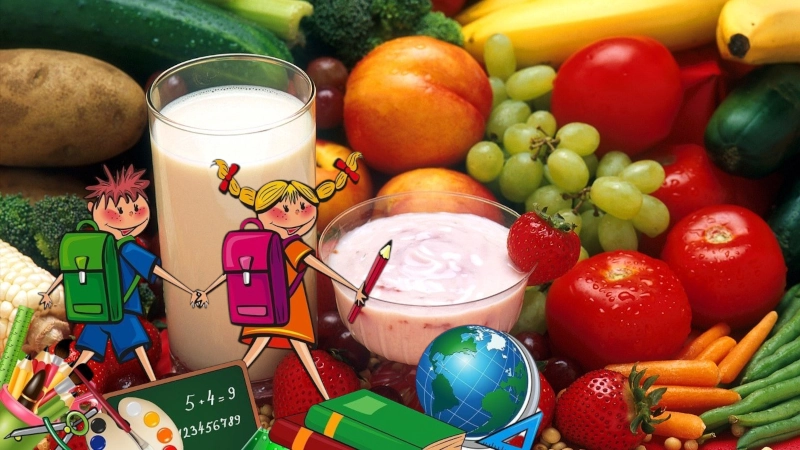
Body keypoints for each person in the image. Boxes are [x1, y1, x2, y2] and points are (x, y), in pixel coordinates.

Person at [196, 152, 367, 400]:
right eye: (284, 209)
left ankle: (232, 386)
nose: (294, 215)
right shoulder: (288, 245)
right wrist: (353, 287)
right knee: (297, 350)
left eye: (303, 208)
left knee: (282, 348)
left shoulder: (266, 242)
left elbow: (233, 272)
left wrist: (206, 291)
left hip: (276, 302)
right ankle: (322, 397)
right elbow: (322, 267)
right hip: (284, 303)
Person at [39, 165, 197, 381]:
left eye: (135, 209)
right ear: (92, 209)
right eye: (119, 211)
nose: (127, 217)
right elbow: (157, 270)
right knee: (135, 348)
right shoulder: (125, 247)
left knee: (98, 351)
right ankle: (154, 385)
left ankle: (60, 385)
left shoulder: (97, 245)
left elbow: (70, 272)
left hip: (102, 313)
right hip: (117, 312)